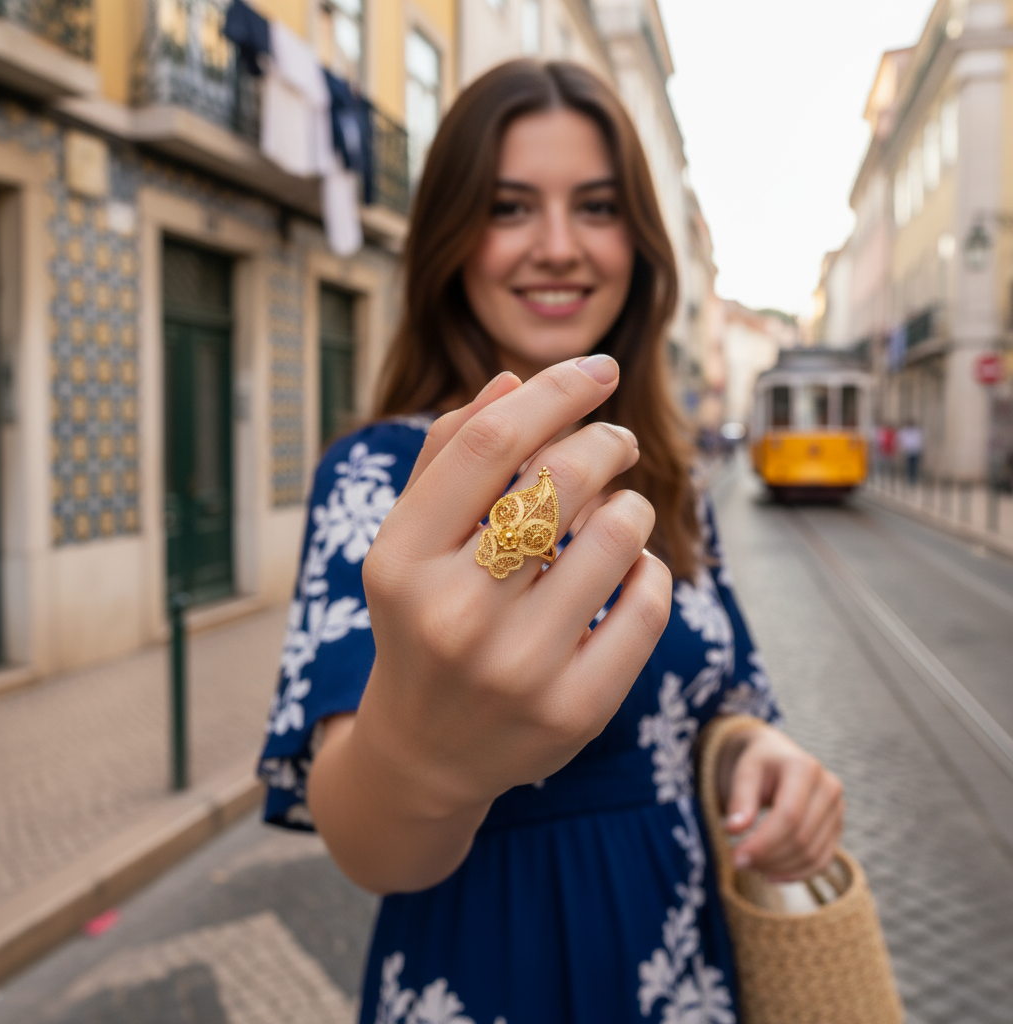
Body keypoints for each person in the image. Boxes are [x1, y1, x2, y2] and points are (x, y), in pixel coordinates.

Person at [258, 60, 844, 1023]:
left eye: (600, 207)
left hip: (686, 973)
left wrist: (756, 754)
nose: (561, 247)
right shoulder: (377, 478)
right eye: (511, 207)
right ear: (451, 238)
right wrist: (420, 753)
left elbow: (722, 703)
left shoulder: (673, 474)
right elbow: (369, 846)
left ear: (643, 245)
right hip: (487, 970)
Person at [897, 421, 923, 486]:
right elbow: (902, 440)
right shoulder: (905, 431)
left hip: (915, 451)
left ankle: (913, 479)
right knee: (909, 466)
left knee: (914, 466)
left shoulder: (916, 431)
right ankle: (910, 479)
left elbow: (919, 441)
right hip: (909, 451)